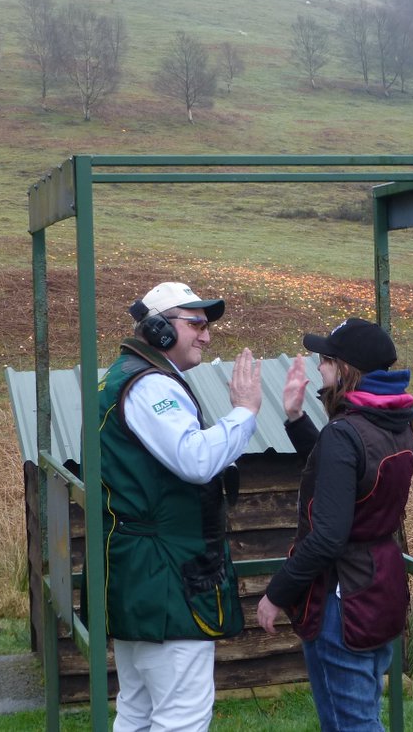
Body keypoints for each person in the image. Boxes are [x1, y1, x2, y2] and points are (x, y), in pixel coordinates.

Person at [97, 281, 262, 732]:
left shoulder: (131, 375)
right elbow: (197, 459)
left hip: (145, 574)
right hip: (165, 576)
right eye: (196, 325)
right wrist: (245, 412)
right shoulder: (150, 385)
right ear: (158, 328)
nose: (206, 336)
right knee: (182, 718)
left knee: (137, 711)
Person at [256, 317, 413, 732]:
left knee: (352, 725)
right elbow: (347, 477)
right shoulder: (395, 422)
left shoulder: (345, 432)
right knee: (360, 717)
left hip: (342, 602)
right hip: (379, 585)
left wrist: (276, 593)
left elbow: (328, 535)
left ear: (346, 368)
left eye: (326, 359)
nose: (319, 367)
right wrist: (295, 418)